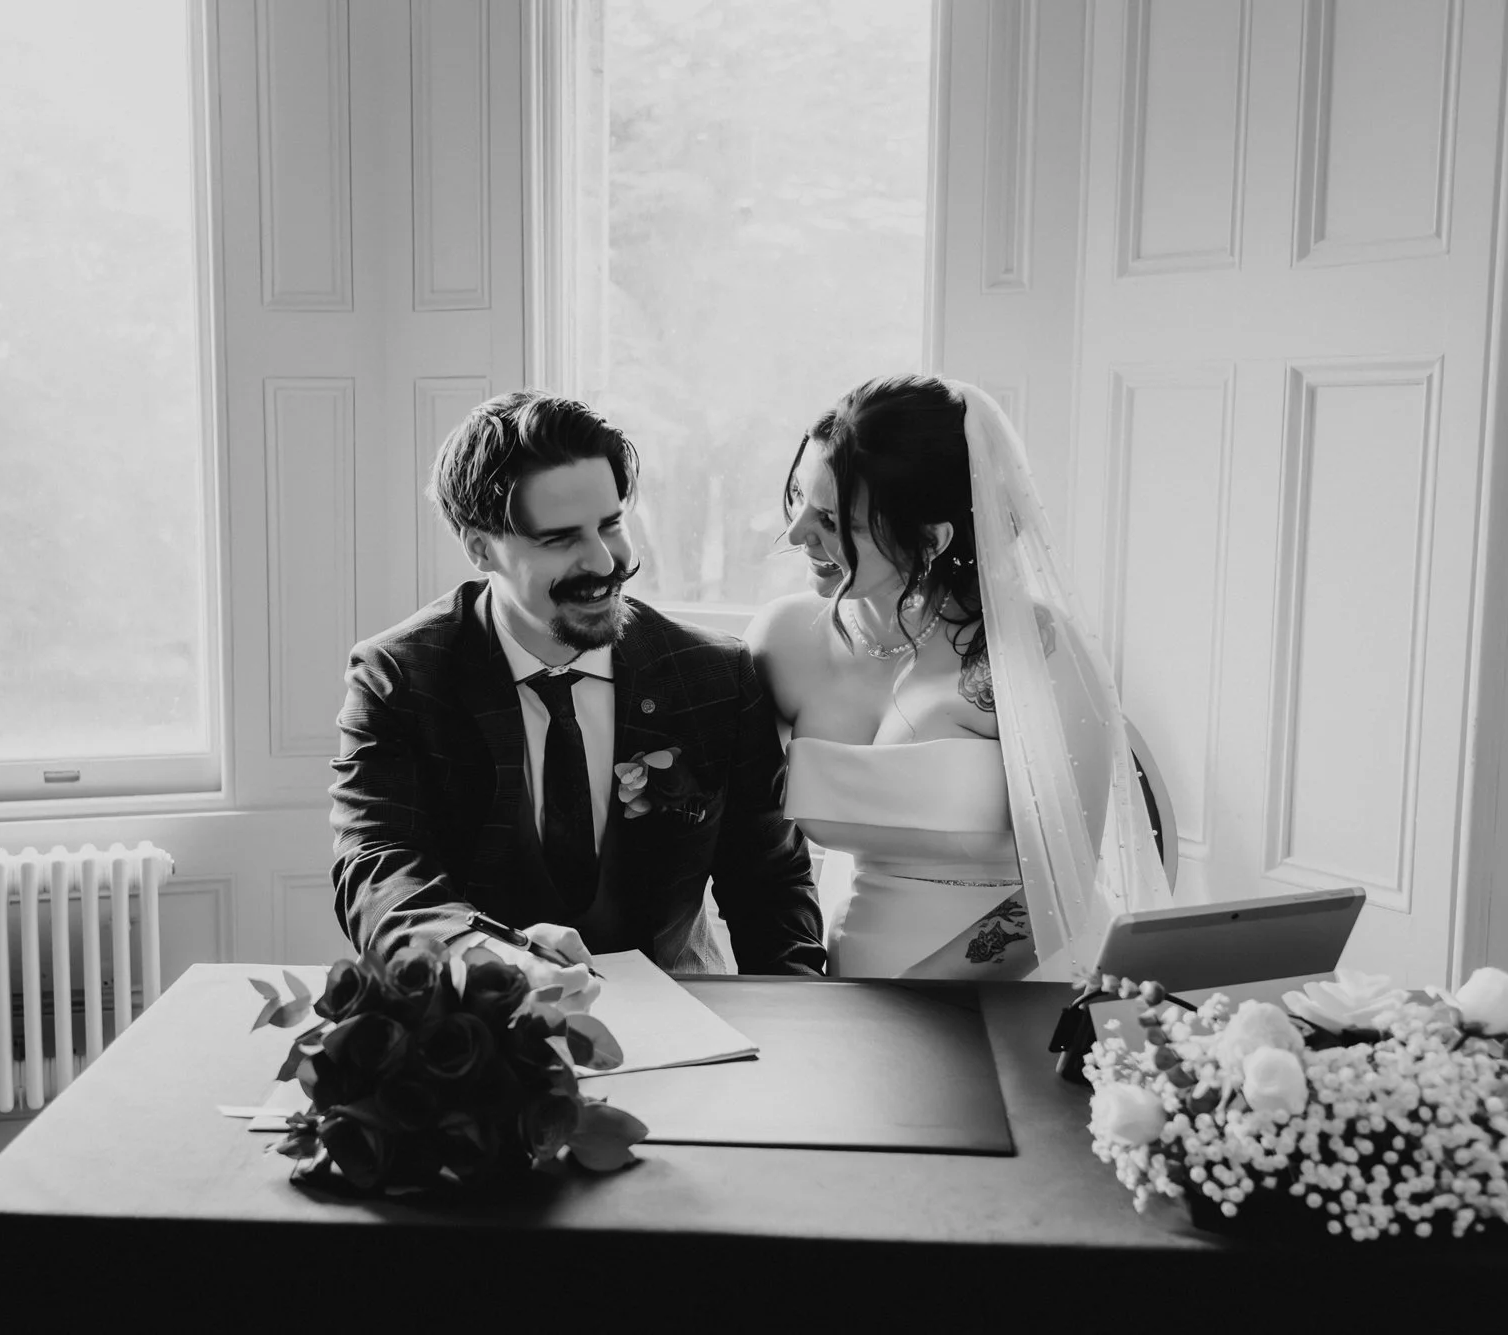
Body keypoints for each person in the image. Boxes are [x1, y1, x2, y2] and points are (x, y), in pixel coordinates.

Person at [329, 390, 826, 994]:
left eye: (611, 524)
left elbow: (770, 885)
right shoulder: (400, 677)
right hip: (486, 1021)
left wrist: (795, 1018)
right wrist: (486, 954)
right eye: (560, 539)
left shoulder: (715, 675)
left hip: (686, 1008)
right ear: (480, 547)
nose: (604, 561)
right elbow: (377, 864)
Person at [746, 375, 1166, 979]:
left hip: (1023, 982)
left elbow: (1064, 888)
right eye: (798, 499)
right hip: (851, 982)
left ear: (930, 538)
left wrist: (915, 997)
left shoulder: (1036, 651)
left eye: (834, 522)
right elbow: (747, 842)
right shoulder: (784, 641)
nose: (796, 535)